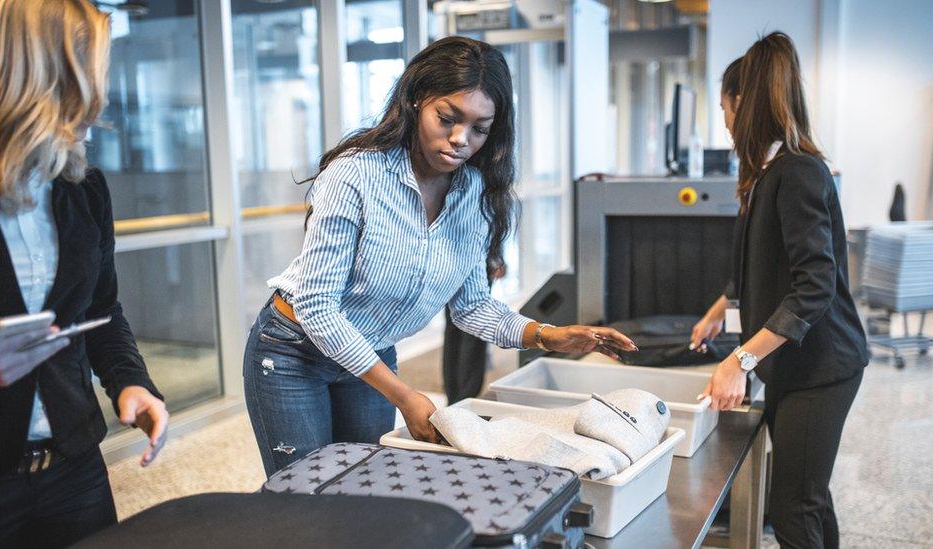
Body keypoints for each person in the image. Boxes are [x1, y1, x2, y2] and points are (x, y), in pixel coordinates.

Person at [243, 36, 636, 476]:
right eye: (447, 118)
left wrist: (546, 335)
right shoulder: (356, 174)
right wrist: (405, 395)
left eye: (480, 129)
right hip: (293, 352)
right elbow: (317, 307)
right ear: (415, 100)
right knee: (303, 495)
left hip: (368, 353)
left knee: (360, 486)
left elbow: (471, 307)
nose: (460, 139)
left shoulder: (475, 195)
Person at [0, 1, 169, 546]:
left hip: (74, 463)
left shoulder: (82, 186)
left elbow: (101, 311)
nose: (103, 96)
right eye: (91, 74)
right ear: (47, 74)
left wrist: (131, 382)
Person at [692, 35, 868, 549]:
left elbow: (813, 287)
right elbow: (761, 261)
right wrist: (719, 308)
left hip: (823, 369)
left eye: (724, 108)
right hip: (795, 364)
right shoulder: (767, 173)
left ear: (742, 104)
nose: (724, 122)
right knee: (808, 495)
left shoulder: (798, 173)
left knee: (792, 506)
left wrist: (739, 361)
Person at [441, 256, 505, 404]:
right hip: (476, 263)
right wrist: (496, 259)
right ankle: (464, 397)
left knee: (453, 329)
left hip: (452, 265)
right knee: (474, 328)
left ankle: (455, 396)